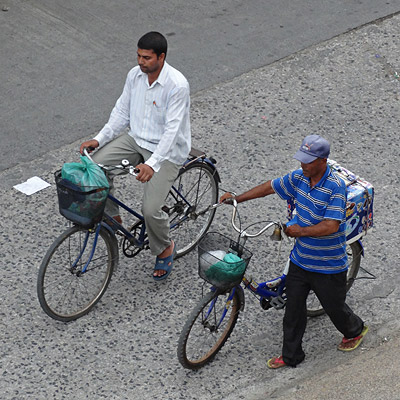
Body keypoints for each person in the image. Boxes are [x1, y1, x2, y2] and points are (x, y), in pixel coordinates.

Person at [220, 134, 368, 368]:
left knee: (334, 307)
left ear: (323, 161)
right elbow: (270, 187)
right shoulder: (299, 177)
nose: (303, 164)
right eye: (302, 159)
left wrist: (300, 231)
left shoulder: (335, 186)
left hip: (328, 264)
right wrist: (237, 199)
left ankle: (355, 330)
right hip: (301, 260)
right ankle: (291, 356)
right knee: (293, 312)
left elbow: (331, 225)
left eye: (308, 161)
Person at [80, 31, 191, 281]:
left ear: (161, 57)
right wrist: (100, 138)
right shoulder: (135, 75)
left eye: (147, 58)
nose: (141, 62)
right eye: (139, 56)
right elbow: (121, 111)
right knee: (94, 168)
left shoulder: (177, 85)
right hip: (136, 139)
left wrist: (152, 164)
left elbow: (172, 131)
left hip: (167, 151)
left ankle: (164, 247)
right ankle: (113, 217)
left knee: (151, 210)